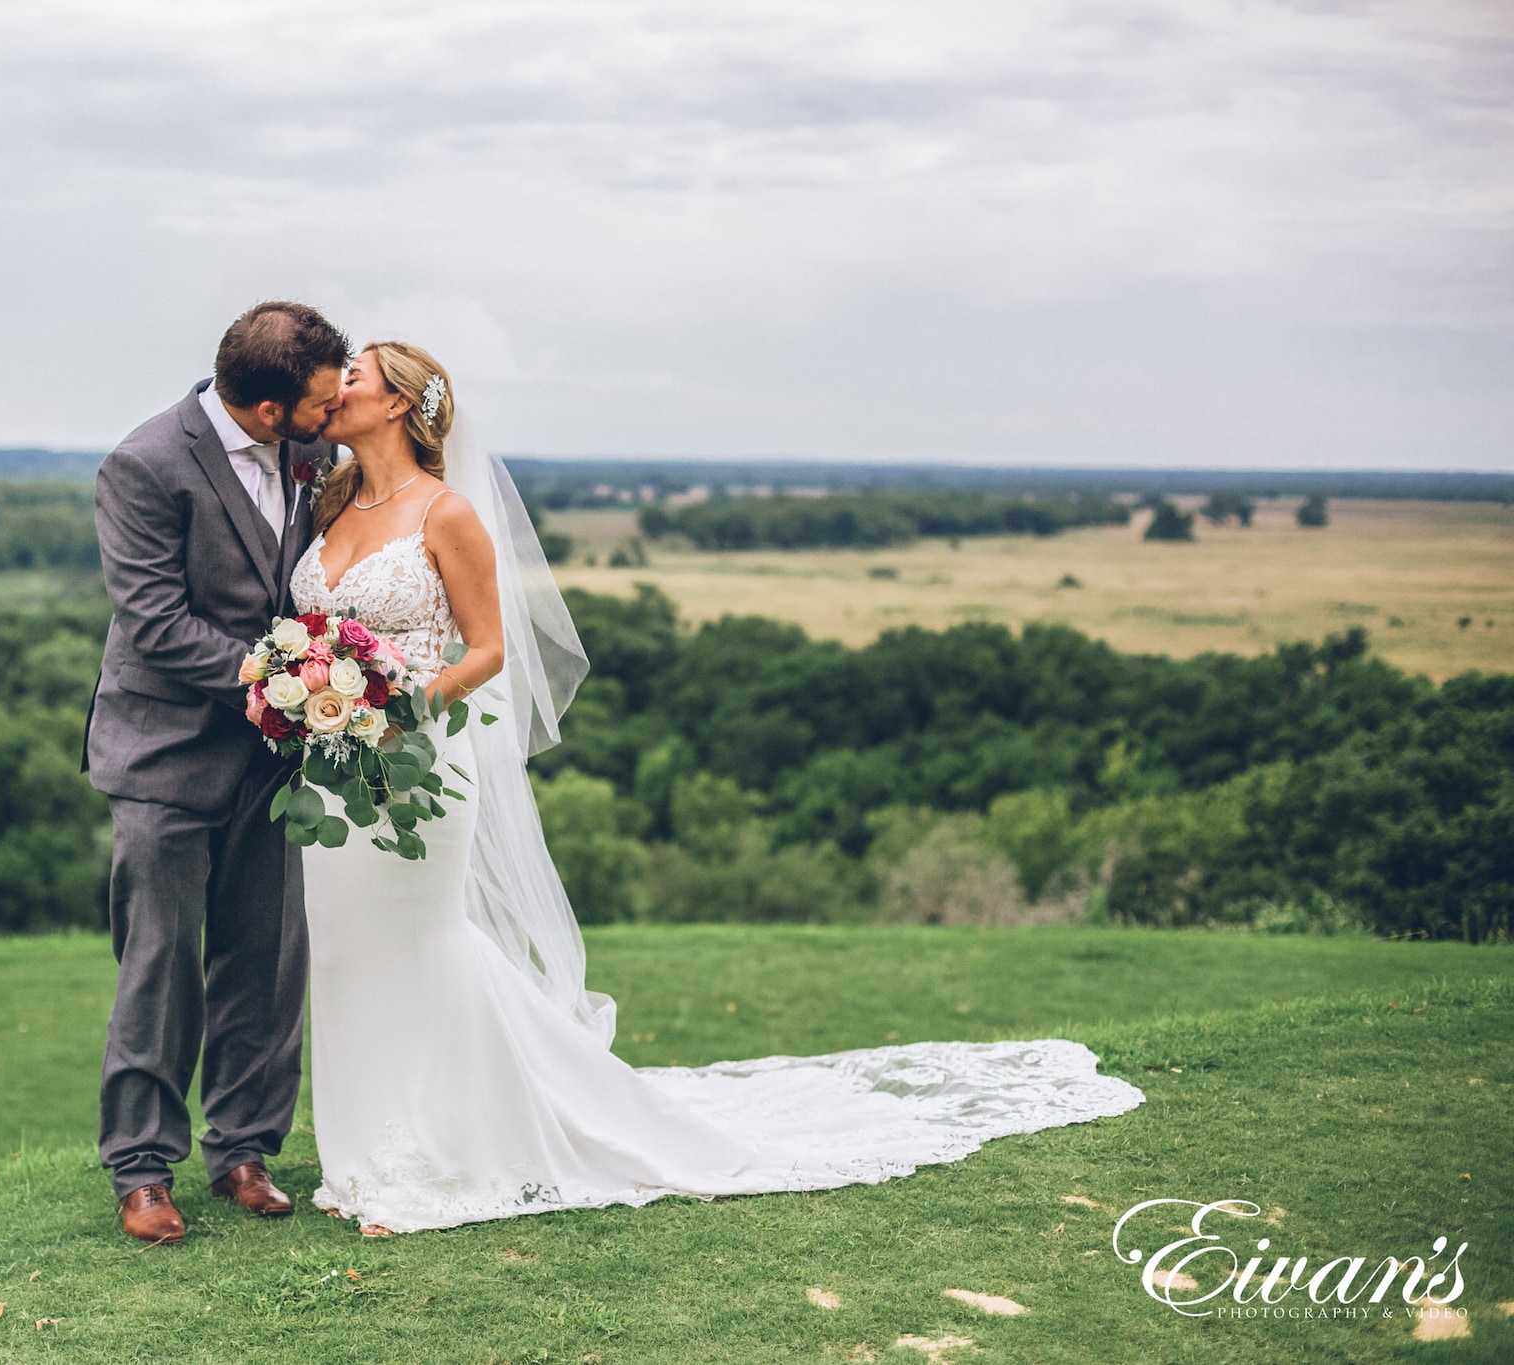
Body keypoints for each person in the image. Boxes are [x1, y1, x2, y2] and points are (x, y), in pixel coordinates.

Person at [290, 341, 1147, 1235]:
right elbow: (317, 626)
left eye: (354, 377)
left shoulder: (448, 512)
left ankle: (434, 1155)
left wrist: (403, 705)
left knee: (424, 942)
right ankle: (360, 1156)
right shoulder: (334, 497)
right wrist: (306, 686)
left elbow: (488, 649)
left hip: (423, 762)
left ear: (397, 404)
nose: (335, 388)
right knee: (347, 948)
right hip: (334, 768)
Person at [82, 301, 349, 1244]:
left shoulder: (314, 456)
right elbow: (152, 620)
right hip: (164, 755)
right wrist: (281, 676)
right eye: (320, 402)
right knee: (161, 963)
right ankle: (142, 1167)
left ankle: (243, 1147)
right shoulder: (145, 464)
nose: (335, 413)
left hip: (276, 757)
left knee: (268, 954)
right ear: (269, 409)